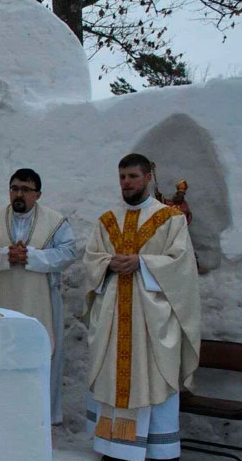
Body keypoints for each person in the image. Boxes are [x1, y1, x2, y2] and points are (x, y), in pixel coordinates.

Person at [83, 154, 200, 461]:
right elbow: (91, 259)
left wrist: (142, 263)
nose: (126, 182)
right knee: (114, 378)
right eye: (122, 177)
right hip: (113, 316)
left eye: (133, 176)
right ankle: (114, 448)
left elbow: (182, 265)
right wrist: (108, 263)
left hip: (151, 321)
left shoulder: (170, 219)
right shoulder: (107, 220)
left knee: (155, 377)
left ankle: (158, 450)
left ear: (148, 177)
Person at [0, 168, 77, 424]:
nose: (19, 194)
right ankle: (1, 416)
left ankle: (40, 420)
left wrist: (31, 257)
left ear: (38, 194)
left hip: (42, 303)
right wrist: (6, 256)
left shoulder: (55, 222)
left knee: (42, 355)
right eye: (14, 188)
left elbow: (68, 253)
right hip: (1, 302)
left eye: (26, 190)